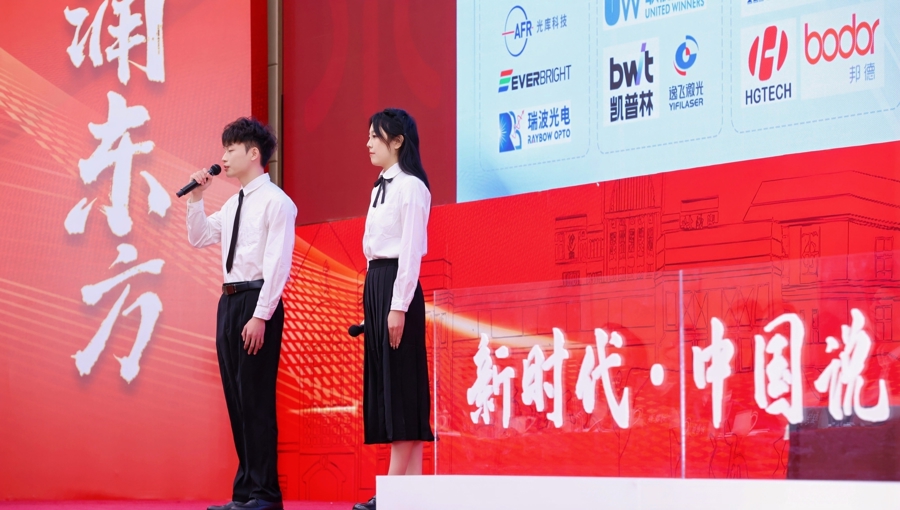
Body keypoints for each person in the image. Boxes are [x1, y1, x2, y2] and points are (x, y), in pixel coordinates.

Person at [185, 117, 297, 510]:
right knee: (237, 399)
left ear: (253, 154)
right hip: (229, 302)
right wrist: (196, 198)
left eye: (231, 149)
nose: (224, 157)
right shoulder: (233, 203)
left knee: (255, 399)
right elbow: (200, 237)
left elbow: (278, 264)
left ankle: (265, 494)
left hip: (257, 301)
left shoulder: (277, 202)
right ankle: (246, 493)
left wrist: (261, 315)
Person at [353, 108, 435, 510]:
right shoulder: (379, 188)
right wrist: (373, 305)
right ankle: (411, 496)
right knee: (391, 387)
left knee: (401, 388)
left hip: (396, 288)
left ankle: (390, 491)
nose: (368, 143)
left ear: (398, 141)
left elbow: (410, 252)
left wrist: (397, 306)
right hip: (378, 285)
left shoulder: (411, 187)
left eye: (375, 135)